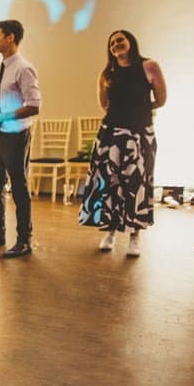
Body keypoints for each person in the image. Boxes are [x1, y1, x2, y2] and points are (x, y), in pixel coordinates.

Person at [79, 30, 167, 257]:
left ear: (130, 41)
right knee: (109, 183)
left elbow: (161, 99)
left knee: (136, 184)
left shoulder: (149, 66)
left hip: (139, 133)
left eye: (120, 40)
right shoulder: (107, 73)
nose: (116, 44)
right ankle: (109, 232)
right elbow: (104, 104)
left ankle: (134, 237)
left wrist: (139, 111)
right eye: (112, 43)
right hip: (110, 134)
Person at [0, 19, 41, 258]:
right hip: (0, 134)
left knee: (18, 188)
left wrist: (5, 115)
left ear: (11, 37)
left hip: (17, 135)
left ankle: (24, 240)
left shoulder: (23, 68)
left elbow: (34, 105)